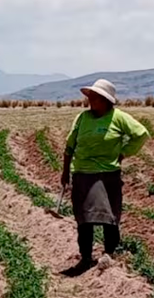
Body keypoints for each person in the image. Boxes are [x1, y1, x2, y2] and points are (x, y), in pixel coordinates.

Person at [62, 79, 150, 276]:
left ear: (106, 100)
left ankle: (108, 253)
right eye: (90, 97)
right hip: (82, 174)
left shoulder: (118, 118)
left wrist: (123, 153)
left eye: (95, 97)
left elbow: (141, 134)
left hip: (107, 174)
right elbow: (69, 147)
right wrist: (65, 172)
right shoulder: (82, 118)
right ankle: (85, 257)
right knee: (84, 219)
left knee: (109, 217)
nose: (90, 100)